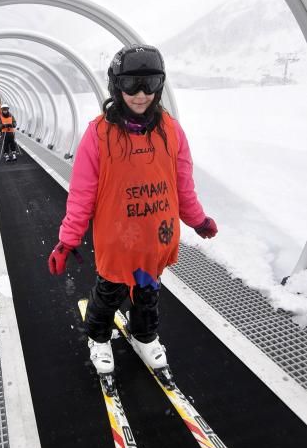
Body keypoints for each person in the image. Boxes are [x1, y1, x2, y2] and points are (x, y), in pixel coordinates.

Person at [48, 44, 217, 376]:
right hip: (118, 241)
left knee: (147, 293)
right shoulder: (99, 135)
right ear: (116, 85)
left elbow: (182, 184)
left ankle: (144, 335)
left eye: (151, 84)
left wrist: (197, 219)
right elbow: (82, 195)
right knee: (108, 295)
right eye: (131, 85)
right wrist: (67, 241)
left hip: (156, 239)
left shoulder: (171, 131)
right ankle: (98, 338)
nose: (141, 95)